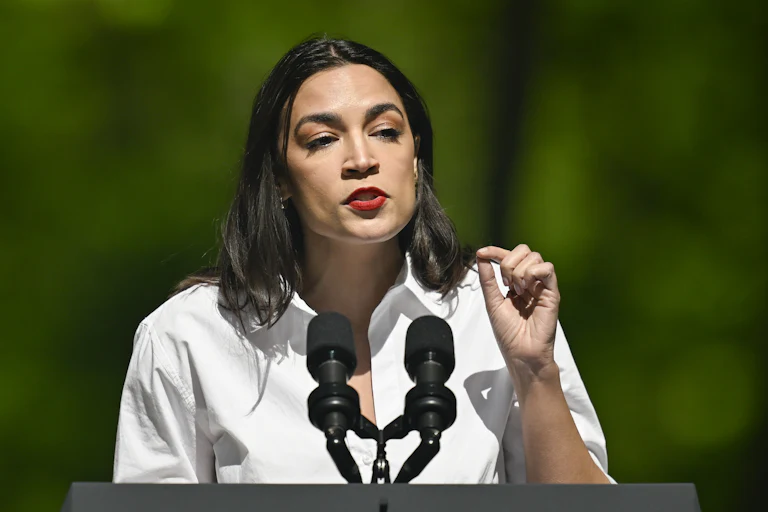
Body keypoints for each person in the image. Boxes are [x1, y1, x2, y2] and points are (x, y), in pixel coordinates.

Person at [113, 36, 613, 484]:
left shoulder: (493, 314)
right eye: (323, 139)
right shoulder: (191, 334)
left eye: (386, 131)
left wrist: (535, 370)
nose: (361, 159)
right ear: (280, 177)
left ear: (416, 157)